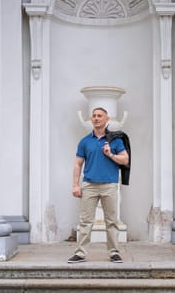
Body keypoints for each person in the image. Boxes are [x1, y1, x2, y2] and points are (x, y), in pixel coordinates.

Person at [67, 107, 129, 264]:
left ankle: (114, 252)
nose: (96, 118)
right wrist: (75, 185)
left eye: (100, 116)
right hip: (89, 185)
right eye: (94, 116)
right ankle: (80, 253)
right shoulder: (85, 141)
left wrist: (110, 154)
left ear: (107, 119)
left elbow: (125, 160)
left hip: (110, 185)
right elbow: (77, 164)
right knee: (85, 221)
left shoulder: (115, 140)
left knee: (112, 221)